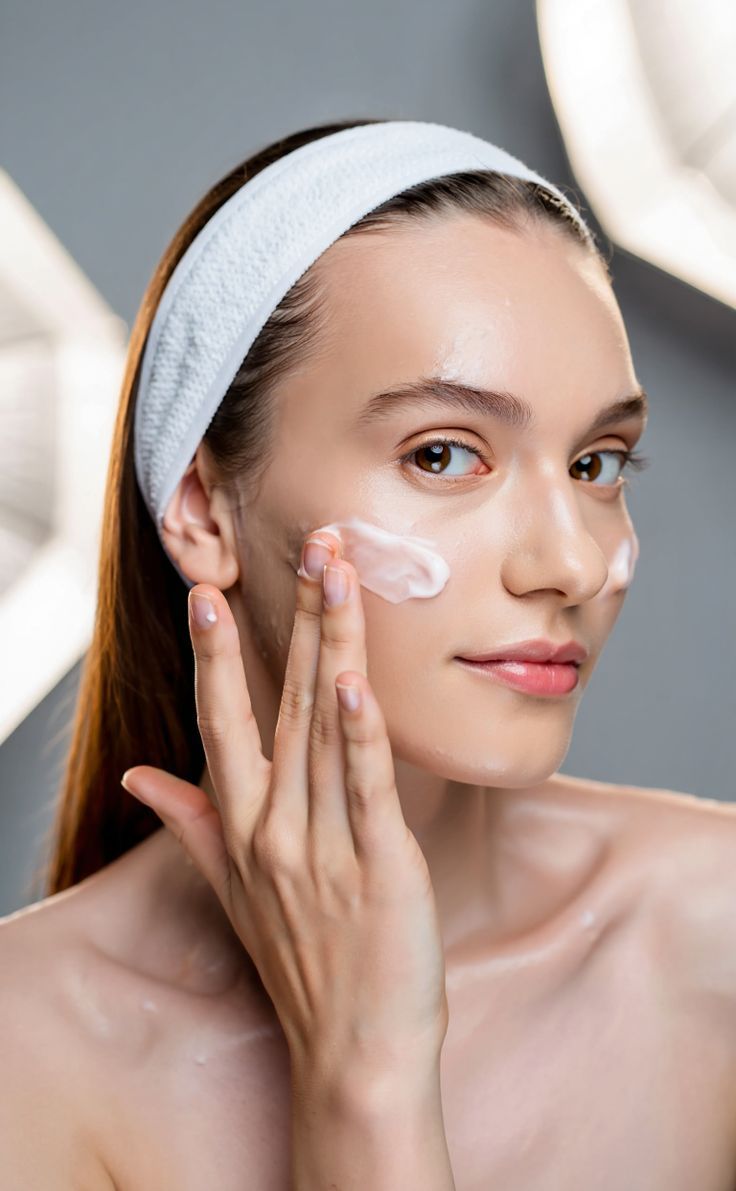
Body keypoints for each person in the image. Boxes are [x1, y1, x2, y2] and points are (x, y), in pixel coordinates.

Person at [2, 117, 734, 1190]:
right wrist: (362, 1073)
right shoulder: (27, 1048)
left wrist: (368, 1083)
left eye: (597, 462)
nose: (572, 562)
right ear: (203, 509)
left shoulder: (716, 932)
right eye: (442, 454)